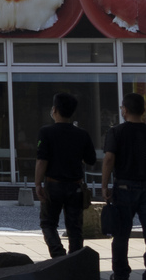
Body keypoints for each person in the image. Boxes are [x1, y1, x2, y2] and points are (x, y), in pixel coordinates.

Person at [102, 92, 146, 280]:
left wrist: (104, 186)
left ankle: (121, 275)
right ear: (144, 111)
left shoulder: (116, 132)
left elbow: (108, 160)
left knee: (121, 234)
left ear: (125, 110)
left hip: (124, 187)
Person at [32, 92, 99, 258]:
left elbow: (42, 160)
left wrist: (37, 183)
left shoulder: (46, 132)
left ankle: (58, 255)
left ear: (55, 110)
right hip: (75, 186)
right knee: (75, 227)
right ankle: (74, 260)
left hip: (53, 184)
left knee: (48, 223)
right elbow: (91, 159)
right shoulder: (81, 134)